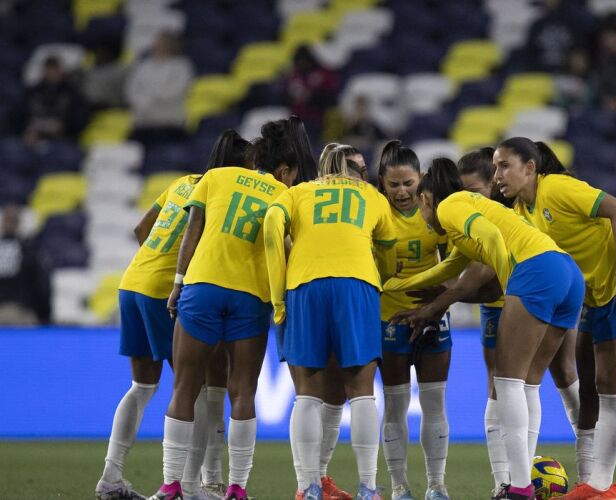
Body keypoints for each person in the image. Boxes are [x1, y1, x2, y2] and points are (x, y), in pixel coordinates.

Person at [384, 159, 584, 500]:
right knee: (528, 382)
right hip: (566, 273)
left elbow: (491, 237)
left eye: (420, 203)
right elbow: (447, 271)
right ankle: (530, 482)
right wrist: (389, 286)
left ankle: (519, 488)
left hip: (534, 272)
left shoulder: (451, 207)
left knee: (506, 382)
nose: (420, 211)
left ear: (427, 199)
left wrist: (510, 282)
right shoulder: (465, 220)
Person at [492, 138, 616, 500]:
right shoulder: (522, 212)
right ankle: (600, 481)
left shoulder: (557, 188)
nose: (497, 175)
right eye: (494, 168)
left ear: (530, 168)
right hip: (599, 291)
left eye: (504, 165)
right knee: (604, 384)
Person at [149, 120, 304, 500]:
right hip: (251, 296)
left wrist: (177, 283)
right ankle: (236, 487)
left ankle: (171, 485)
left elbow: (193, 230)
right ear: (281, 166)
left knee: (185, 386)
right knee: (243, 393)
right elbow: (285, 246)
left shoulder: (215, 176)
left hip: (203, 286)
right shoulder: (283, 193)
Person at [95, 130, 250, 500]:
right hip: (164, 291)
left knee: (142, 386)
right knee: (191, 388)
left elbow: (141, 228)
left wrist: (155, 265)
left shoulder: (182, 184)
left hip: (132, 282)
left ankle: (110, 478)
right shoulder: (223, 194)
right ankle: (191, 486)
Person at [263, 146, 397, 500]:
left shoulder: (298, 193)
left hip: (304, 285)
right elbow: (389, 249)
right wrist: (377, 277)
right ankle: (368, 487)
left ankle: (308, 487)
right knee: (362, 392)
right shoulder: (372, 196)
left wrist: (279, 295)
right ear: (352, 170)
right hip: (357, 284)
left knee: (307, 393)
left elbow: (272, 225)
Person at [372, 141, 451, 500]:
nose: (402, 192)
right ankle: (400, 486)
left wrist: (441, 297)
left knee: (434, 402)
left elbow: (458, 262)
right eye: (394, 185)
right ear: (381, 184)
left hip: (434, 317)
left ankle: (436, 485)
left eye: (409, 183)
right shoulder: (375, 216)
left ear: (421, 179)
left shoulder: (438, 212)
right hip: (391, 316)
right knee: (396, 404)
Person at [126, 32, 193, 145]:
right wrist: (141, 101)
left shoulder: (181, 66)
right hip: (143, 123)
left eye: (159, 41)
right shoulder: (144, 65)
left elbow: (177, 90)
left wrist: (152, 98)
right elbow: (132, 88)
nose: (155, 44)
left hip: (169, 124)